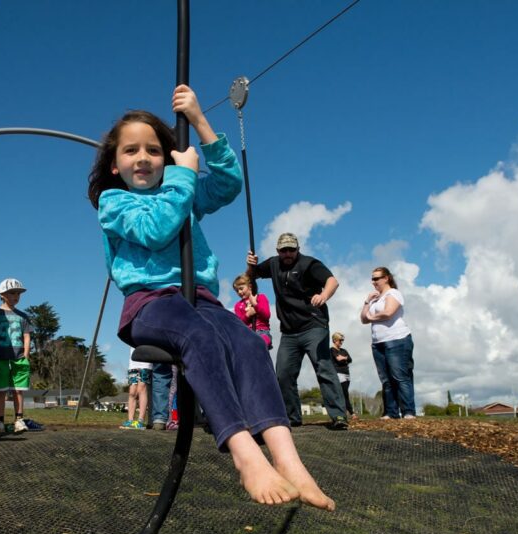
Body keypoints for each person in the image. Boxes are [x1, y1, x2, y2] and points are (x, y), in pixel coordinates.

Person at [88, 85, 334, 510]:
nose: (143, 158)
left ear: (167, 156)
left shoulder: (181, 188)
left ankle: (290, 459)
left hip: (201, 298)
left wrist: (200, 122)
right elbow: (155, 229)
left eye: (153, 149)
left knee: (248, 343)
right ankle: (245, 454)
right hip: (150, 303)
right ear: (114, 165)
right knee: (198, 337)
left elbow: (227, 184)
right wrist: (182, 177)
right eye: (131, 151)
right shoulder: (115, 202)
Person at [247, 233, 348, 430]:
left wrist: (324, 295)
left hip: (313, 325)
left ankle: (338, 416)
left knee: (324, 367)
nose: (287, 254)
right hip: (289, 331)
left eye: (291, 250)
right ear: (278, 251)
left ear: (298, 249)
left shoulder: (309, 264)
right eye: (283, 250)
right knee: (283, 374)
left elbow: (332, 281)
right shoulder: (274, 264)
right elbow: (252, 275)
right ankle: (292, 417)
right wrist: (251, 265)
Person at [360, 266, 416, 420]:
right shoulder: (375, 299)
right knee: (386, 379)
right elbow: (362, 318)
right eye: (372, 279)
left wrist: (371, 317)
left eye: (376, 278)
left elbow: (388, 312)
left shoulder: (393, 293)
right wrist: (367, 302)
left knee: (400, 376)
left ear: (386, 278)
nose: (374, 282)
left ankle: (408, 412)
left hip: (397, 339)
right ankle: (391, 412)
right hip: (378, 342)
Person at [0, 278, 33, 433]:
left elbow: (27, 336)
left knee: (18, 389)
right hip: (0, 356)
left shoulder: (23, 316)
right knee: (0, 390)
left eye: (18, 293)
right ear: (2, 294)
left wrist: (26, 355)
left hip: (18, 357)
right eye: (12, 293)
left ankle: (19, 419)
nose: (16, 296)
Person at [232, 273, 272, 349]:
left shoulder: (261, 297)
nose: (239, 292)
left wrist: (255, 304)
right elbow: (239, 323)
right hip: (247, 333)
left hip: (262, 331)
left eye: (241, 288)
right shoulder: (238, 305)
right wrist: (248, 314)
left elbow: (266, 315)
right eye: (237, 291)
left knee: (261, 342)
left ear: (250, 286)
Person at [122, 348, 152, 430]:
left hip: (145, 361)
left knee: (141, 388)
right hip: (133, 362)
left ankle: (140, 420)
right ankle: (130, 420)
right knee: (132, 392)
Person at [330, 332, 355, 420]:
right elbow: (338, 359)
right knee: (344, 394)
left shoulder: (343, 350)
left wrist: (344, 358)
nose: (341, 342)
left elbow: (350, 359)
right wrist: (345, 358)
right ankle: (351, 413)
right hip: (339, 374)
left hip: (347, 374)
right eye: (340, 340)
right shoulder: (332, 350)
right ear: (334, 340)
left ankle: (346, 412)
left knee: (345, 393)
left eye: (342, 340)